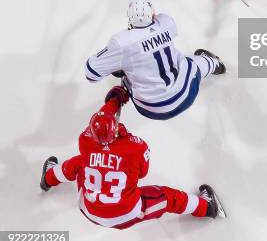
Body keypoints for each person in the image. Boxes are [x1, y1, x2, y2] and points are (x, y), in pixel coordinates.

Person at [40, 87, 225, 228]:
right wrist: (125, 135)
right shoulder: (136, 147)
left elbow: (102, 120)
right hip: (125, 213)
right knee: (167, 197)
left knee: (79, 163)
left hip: (88, 208)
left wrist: (114, 100)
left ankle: (48, 178)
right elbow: (142, 173)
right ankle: (207, 208)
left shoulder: (85, 141)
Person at [84, 0, 225, 120]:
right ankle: (215, 63)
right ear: (152, 13)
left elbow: (91, 74)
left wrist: (115, 58)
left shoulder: (121, 42)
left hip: (149, 108)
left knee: (129, 69)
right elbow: (162, 26)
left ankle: (125, 70)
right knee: (190, 63)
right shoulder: (166, 22)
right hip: (184, 97)